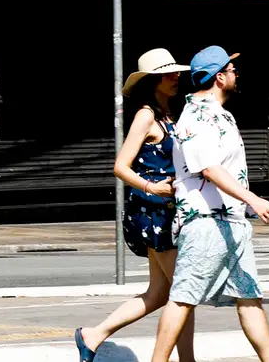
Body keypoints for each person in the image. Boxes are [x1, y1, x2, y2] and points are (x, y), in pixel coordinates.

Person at [151, 46, 269, 362]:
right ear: (220, 77)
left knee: (250, 299)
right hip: (207, 222)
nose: (236, 73)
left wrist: (245, 207)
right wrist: (253, 199)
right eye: (232, 69)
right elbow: (208, 167)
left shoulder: (218, 113)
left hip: (232, 222)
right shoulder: (195, 116)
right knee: (182, 298)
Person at [75, 49, 195, 362]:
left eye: (176, 72)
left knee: (159, 294)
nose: (176, 77)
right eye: (170, 74)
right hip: (153, 213)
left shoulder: (168, 114)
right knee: (184, 292)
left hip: (166, 212)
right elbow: (121, 166)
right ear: (154, 81)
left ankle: (94, 335)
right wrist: (150, 186)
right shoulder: (147, 115)